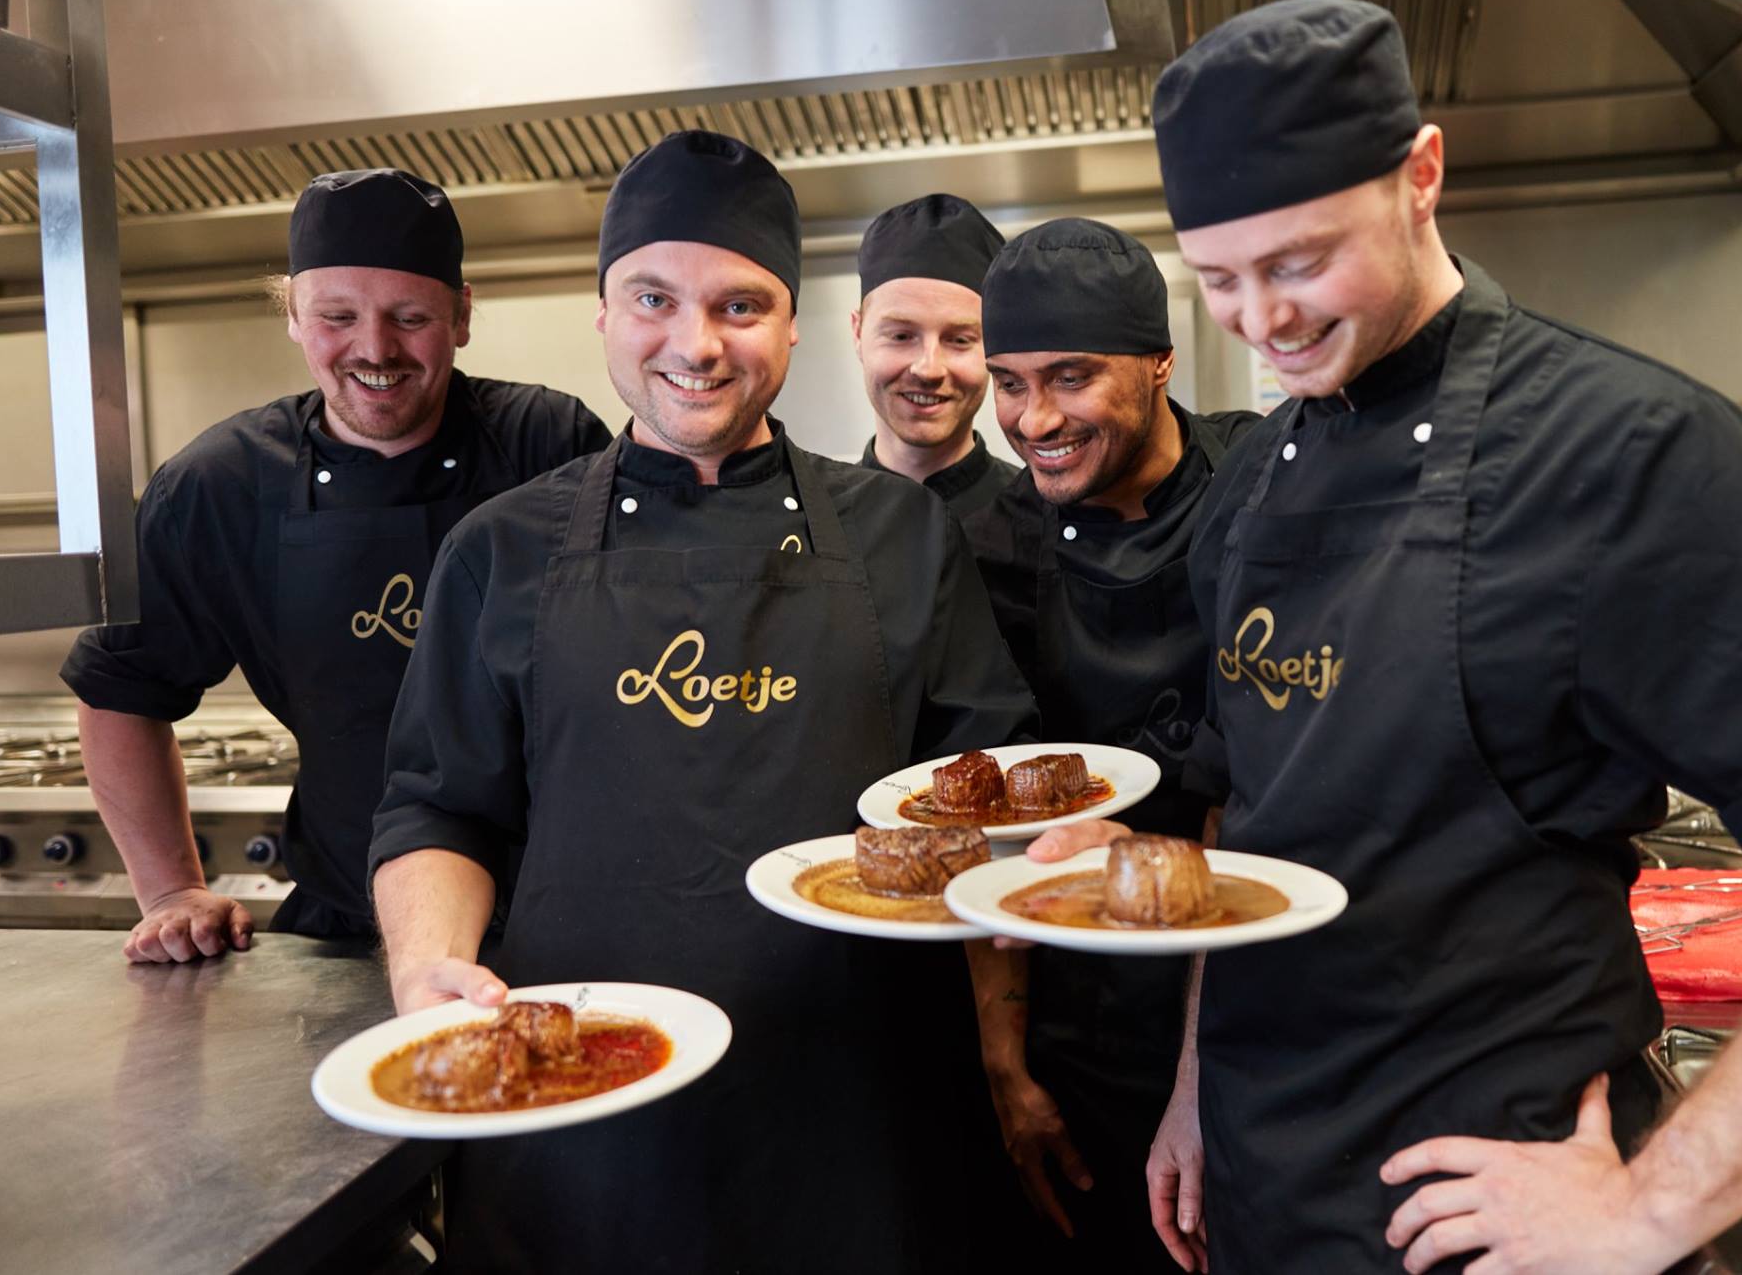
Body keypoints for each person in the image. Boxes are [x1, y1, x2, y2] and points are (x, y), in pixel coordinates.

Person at [1055, 0, 1742, 1274]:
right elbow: (1247, 826)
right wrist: (1193, 1091)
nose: (1261, 322)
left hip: (1494, 1201)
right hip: (1267, 1173)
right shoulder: (1259, 470)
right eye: (1217, 279)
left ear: (1420, 177)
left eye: (1299, 262)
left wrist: (1649, 1208)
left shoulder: (1625, 452)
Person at [367, 130, 1038, 1273]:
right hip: (579, 1126)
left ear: (787, 325)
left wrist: (1005, 1030)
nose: (695, 342)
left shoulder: (898, 534)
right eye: (652, 298)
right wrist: (426, 968)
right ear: (602, 312)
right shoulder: (501, 548)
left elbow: (981, 800)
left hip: (859, 1119)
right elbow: (438, 808)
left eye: (739, 304)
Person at [61, 169, 611, 957]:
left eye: (410, 316)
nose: (374, 348)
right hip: (346, 930)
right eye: (337, 316)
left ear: (460, 316)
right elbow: (119, 689)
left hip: (557, 920)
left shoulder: (546, 445)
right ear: (291, 312)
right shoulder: (220, 484)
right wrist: (172, 888)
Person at [959, 217, 1260, 1271]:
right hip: (1074, 1020)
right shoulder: (993, 541)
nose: (1031, 418)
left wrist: (1200, 1082)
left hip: (1243, 998)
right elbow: (988, 819)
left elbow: (1249, 803)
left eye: (1069, 377)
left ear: (1159, 359)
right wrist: (1004, 1062)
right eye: (1008, 381)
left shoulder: (1259, 487)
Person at [853, 192, 1018, 517]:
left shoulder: (1043, 523)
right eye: (901, 336)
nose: (928, 369)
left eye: (959, 339)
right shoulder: (812, 525)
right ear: (858, 333)